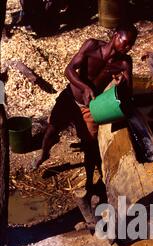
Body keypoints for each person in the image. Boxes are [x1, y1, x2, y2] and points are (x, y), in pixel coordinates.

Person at [34, 24, 138, 195]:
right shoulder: (92, 46)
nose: (127, 48)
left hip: (91, 106)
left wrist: (122, 83)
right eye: (125, 43)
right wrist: (84, 87)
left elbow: (129, 91)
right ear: (115, 35)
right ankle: (44, 154)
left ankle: (89, 183)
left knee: (90, 146)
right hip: (70, 97)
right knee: (52, 128)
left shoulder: (125, 62)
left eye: (131, 45)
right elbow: (68, 71)